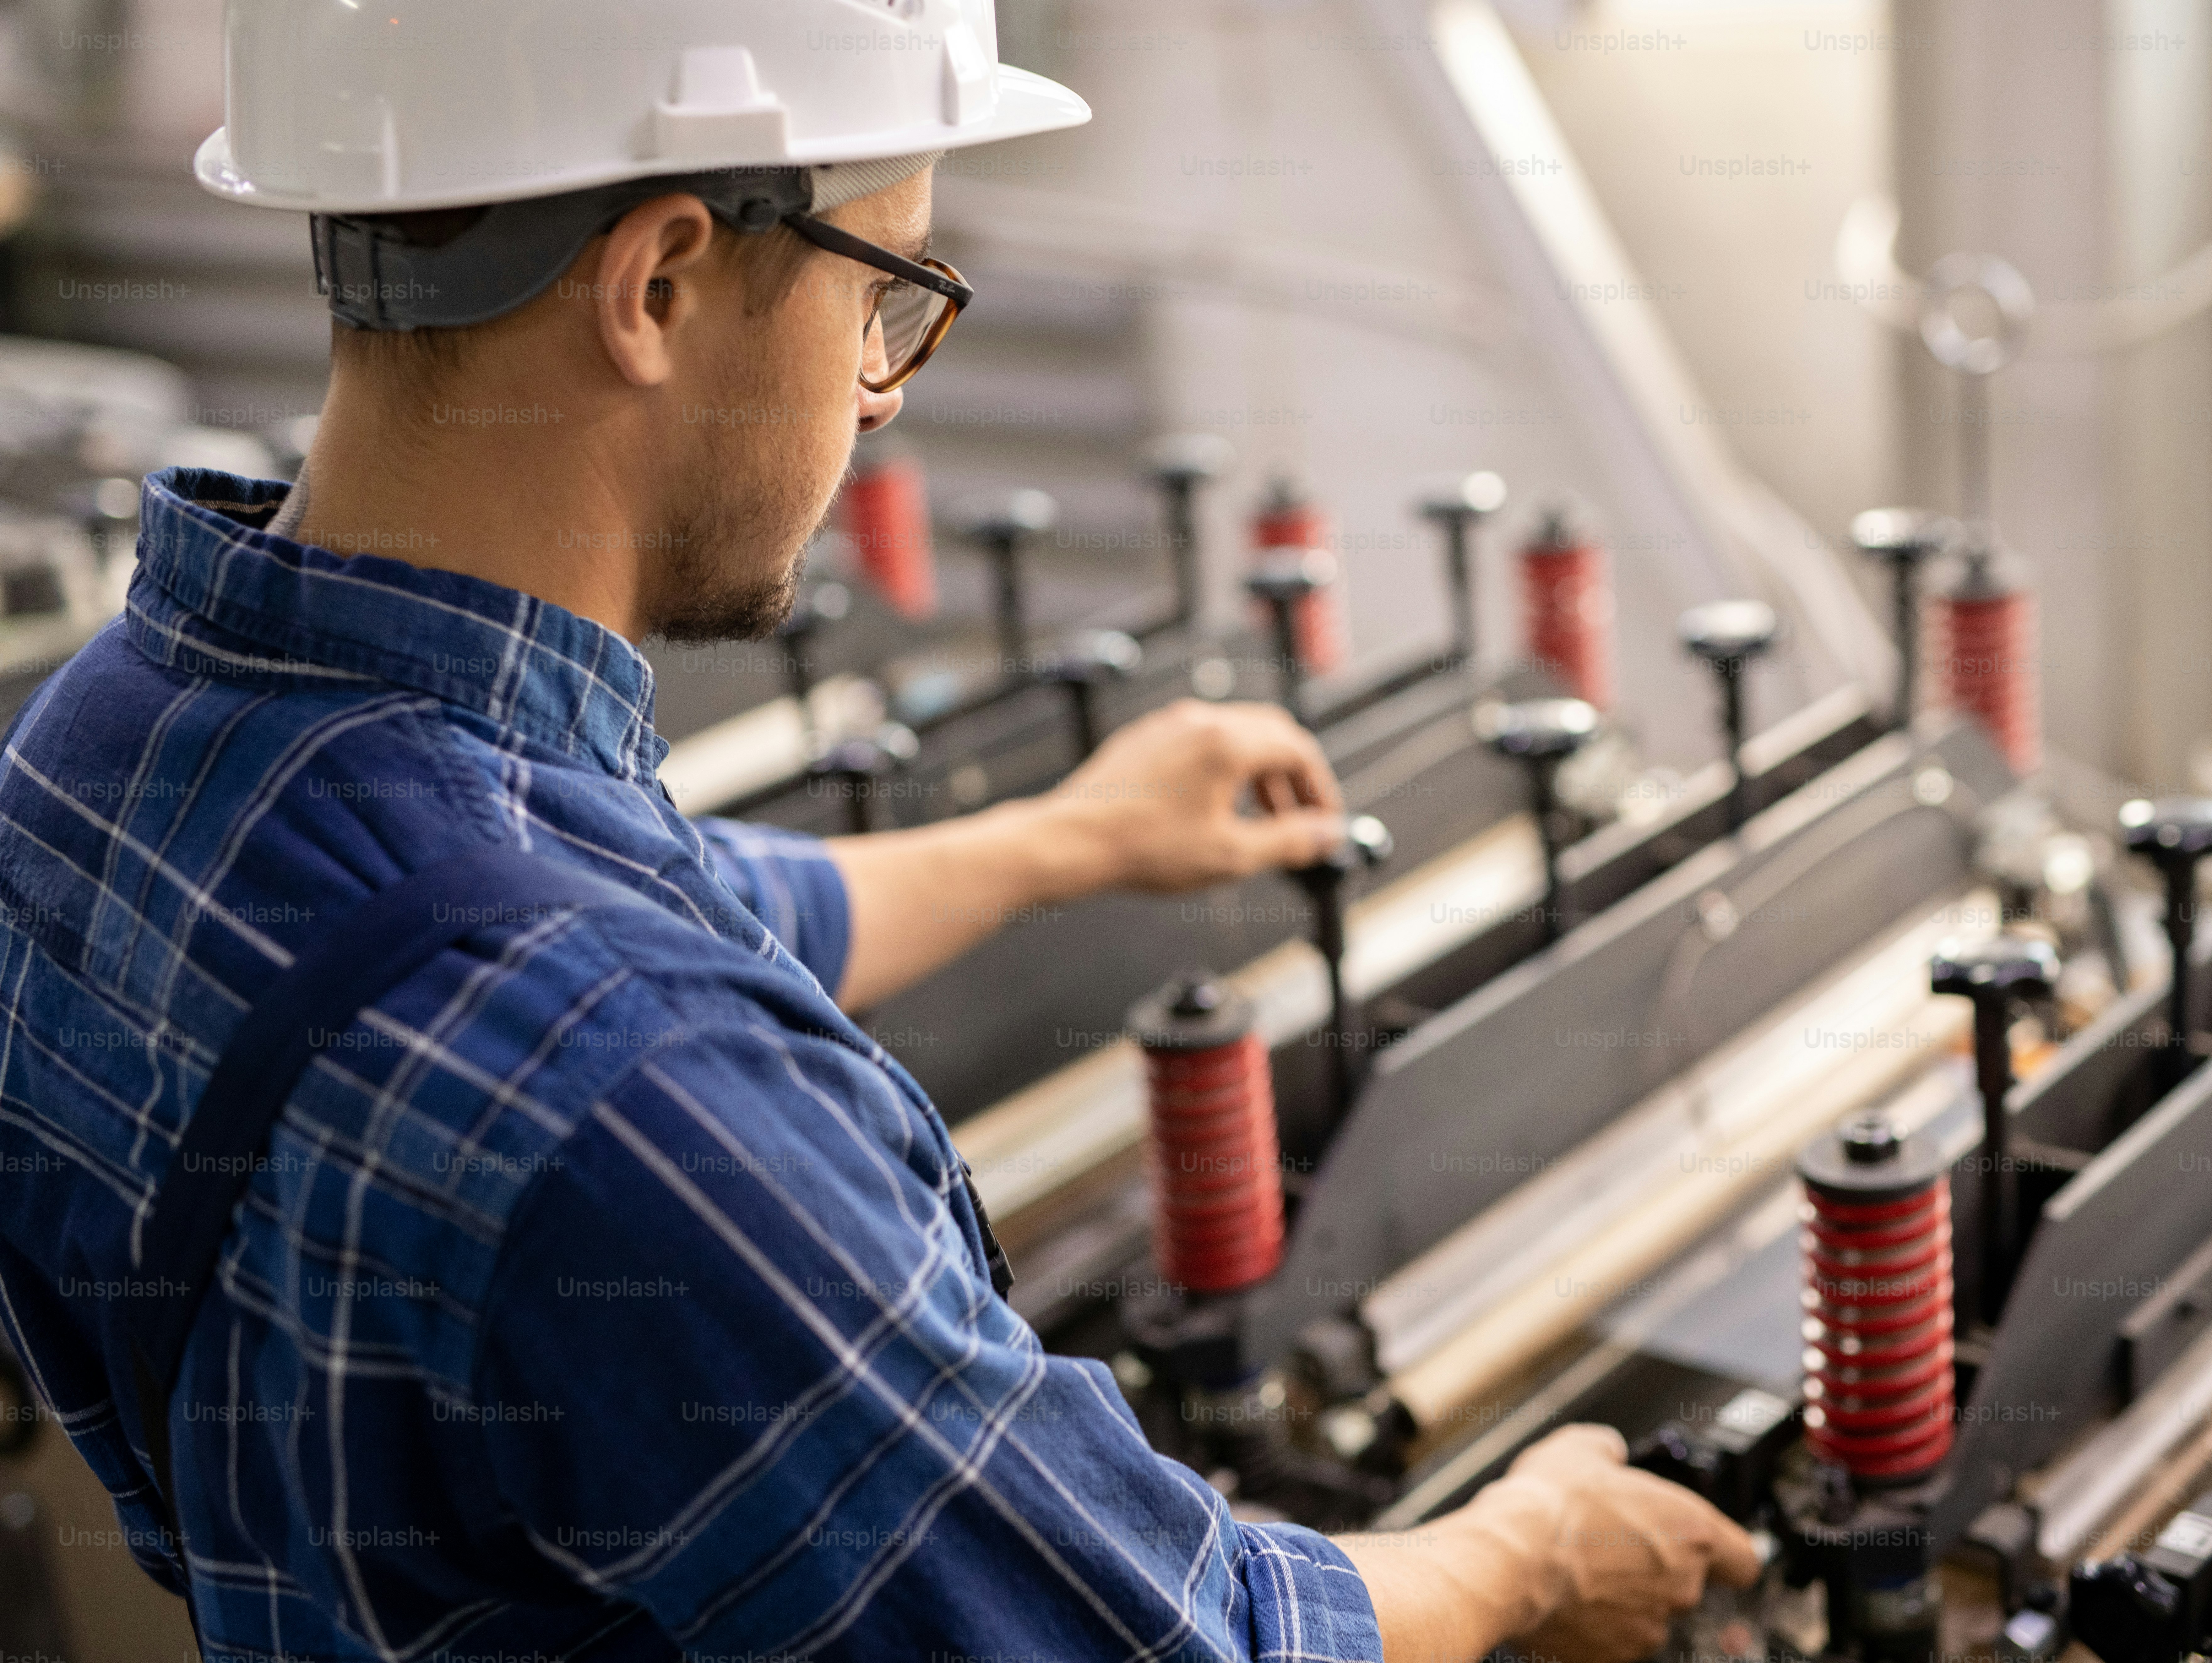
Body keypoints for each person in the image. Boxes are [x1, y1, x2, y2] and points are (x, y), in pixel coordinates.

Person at [0, 5, 1757, 1659]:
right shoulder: (627, 1084)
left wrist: (1054, 844)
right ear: (662, 282)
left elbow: (581, 902)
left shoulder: (91, 755)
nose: (879, 389)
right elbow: (1170, 1636)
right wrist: (1537, 1551)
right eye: (885, 295)